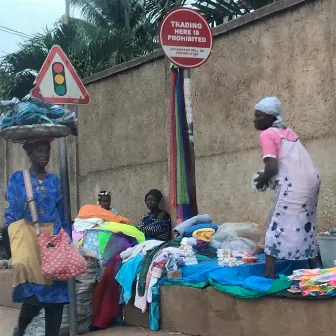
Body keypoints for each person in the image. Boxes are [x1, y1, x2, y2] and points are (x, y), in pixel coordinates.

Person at [5, 139, 71, 336]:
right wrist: (16, 246)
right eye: (39, 150)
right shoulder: (18, 178)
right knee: (36, 294)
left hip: (54, 240)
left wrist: (66, 240)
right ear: (30, 154)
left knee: (57, 297)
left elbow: (62, 211)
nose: (45, 154)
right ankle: (20, 329)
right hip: (30, 239)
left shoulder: (54, 180)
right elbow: (13, 213)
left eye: (47, 150)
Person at [253, 97, 320, 279]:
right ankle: (315, 269)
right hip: (312, 181)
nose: (255, 120)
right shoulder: (287, 131)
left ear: (270, 117)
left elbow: (273, 167)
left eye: (259, 116)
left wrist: (262, 180)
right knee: (306, 224)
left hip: (294, 183)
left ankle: (269, 274)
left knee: (276, 226)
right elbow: (291, 162)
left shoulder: (267, 134)